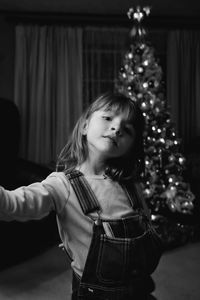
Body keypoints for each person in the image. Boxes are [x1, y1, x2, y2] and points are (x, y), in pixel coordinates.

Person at [0, 92, 162, 299]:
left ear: (130, 148)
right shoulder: (62, 184)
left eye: (128, 129)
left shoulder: (131, 184)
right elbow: (14, 204)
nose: (117, 127)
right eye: (107, 118)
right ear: (85, 126)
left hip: (139, 290)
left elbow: (145, 226)